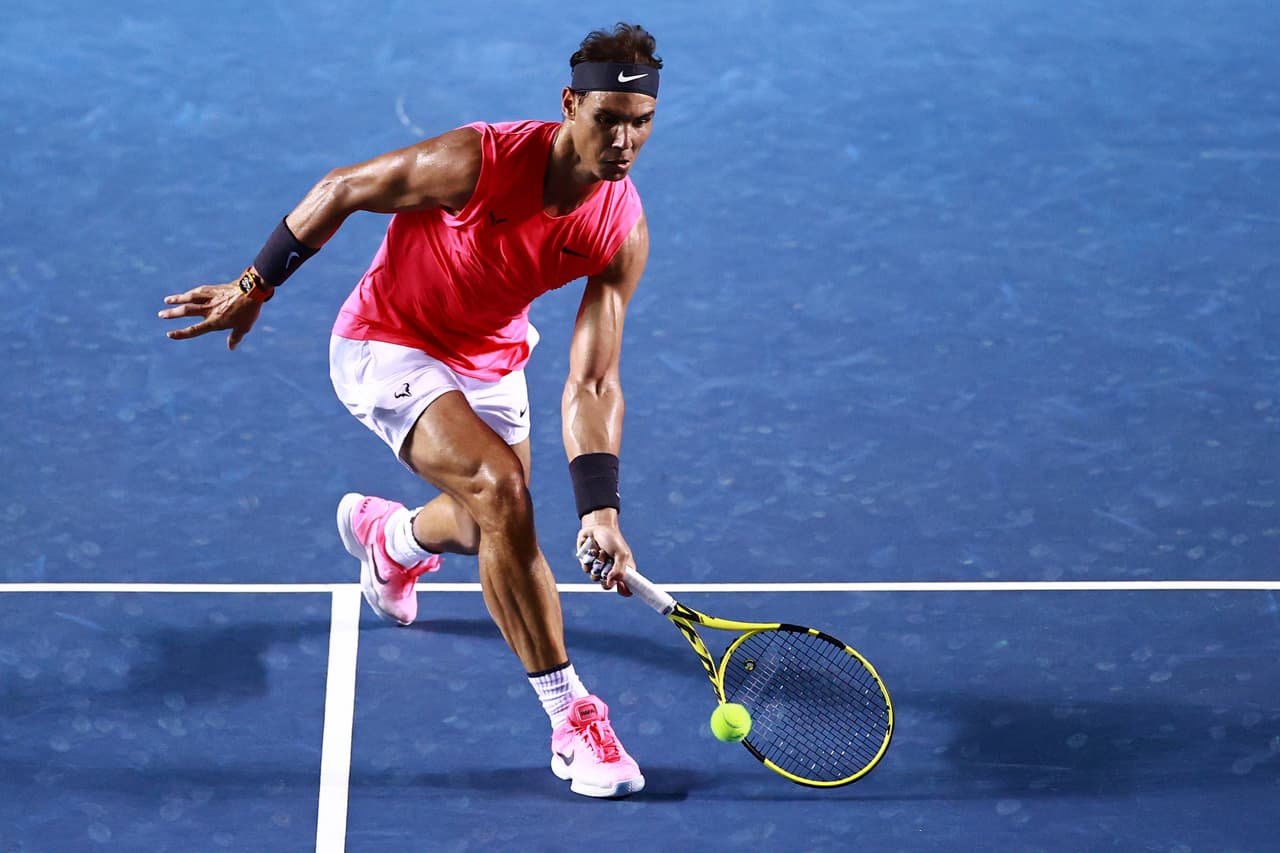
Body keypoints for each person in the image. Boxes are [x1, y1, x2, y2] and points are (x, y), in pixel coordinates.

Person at [158, 23, 662, 799]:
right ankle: (573, 720)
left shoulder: (618, 229)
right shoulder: (478, 161)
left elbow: (593, 382)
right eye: (608, 119)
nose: (624, 140)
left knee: (477, 524)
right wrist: (250, 287)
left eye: (641, 123)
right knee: (503, 494)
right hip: (388, 341)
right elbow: (341, 187)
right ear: (570, 105)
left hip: (490, 355)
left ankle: (390, 540)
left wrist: (601, 510)